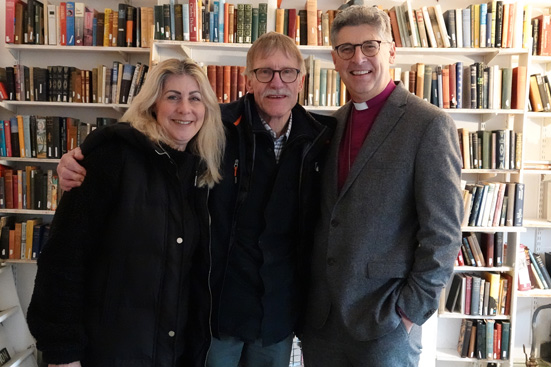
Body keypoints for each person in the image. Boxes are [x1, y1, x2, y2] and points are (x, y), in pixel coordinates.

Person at [54, 32, 336, 367]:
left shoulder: (323, 137)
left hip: (277, 313)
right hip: (214, 312)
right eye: (265, 72)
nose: (277, 82)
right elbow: (145, 139)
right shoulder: (216, 127)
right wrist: (85, 153)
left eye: (287, 72)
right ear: (248, 79)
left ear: (301, 80)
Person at [27, 58, 226, 367]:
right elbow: (64, 257)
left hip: (169, 353)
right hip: (108, 352)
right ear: (152, 105)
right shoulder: (112, 158)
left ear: (207, 110)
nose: (185, 109)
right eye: (172, 96)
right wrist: (62, 353)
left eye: (195, 98)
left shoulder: (197, 175)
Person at [301, 5, 463, 367]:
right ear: (335, 59)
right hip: (322, 323)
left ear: (391, 51)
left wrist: (408, 313)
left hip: (384, 324)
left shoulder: (429, 125)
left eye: (370, 46)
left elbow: (444, 233)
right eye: (347, 49)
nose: (358, 58)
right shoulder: (328, 126)